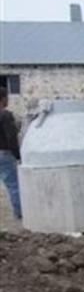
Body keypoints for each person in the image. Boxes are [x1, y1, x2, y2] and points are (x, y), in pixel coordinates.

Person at [0, 87, 21, 220]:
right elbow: (11, 138)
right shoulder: (5, 115)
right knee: (15, 185)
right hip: (5, 153)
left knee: (8, 184)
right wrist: (19, 155)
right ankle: (20, 213)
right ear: (2, 99)